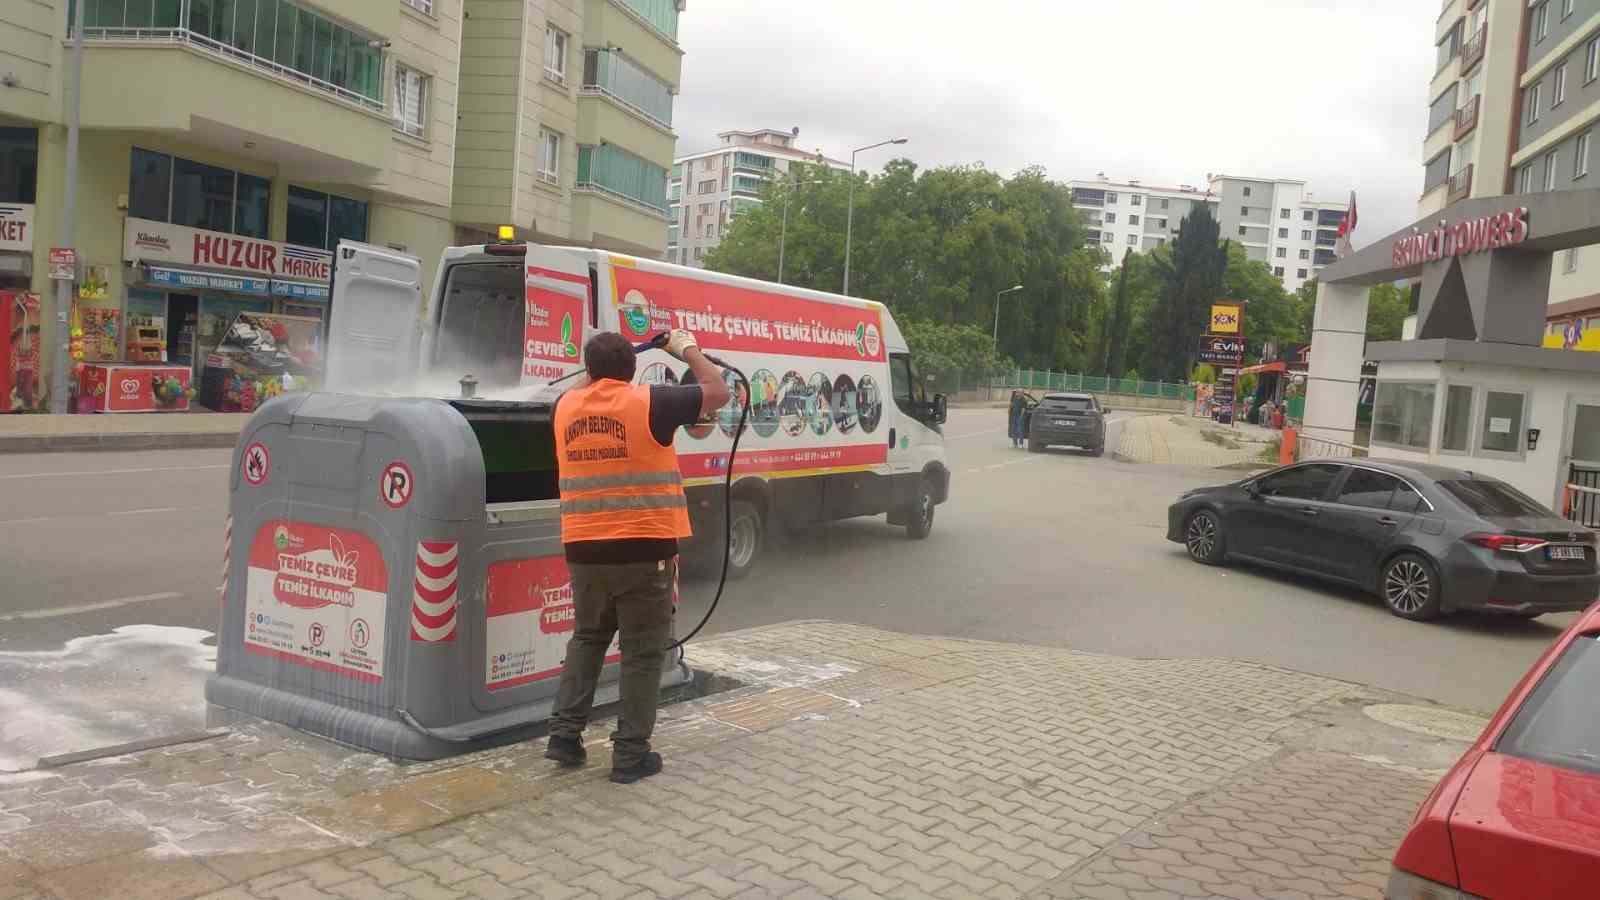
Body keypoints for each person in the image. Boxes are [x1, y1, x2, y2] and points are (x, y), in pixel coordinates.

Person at [544, 329, 730, 784]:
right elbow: (718, 391)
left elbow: (583, 386)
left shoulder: (564, 407)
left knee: (587, 639)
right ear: (632, 371)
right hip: (644, 549)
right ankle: (630, 755)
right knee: (642, 653)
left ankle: (564, 739)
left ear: (589, 371)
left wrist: (597, 369)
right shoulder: (651, 403)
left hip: (584, 549)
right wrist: (685, 348)